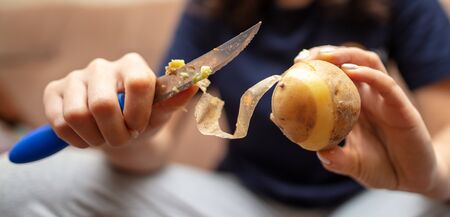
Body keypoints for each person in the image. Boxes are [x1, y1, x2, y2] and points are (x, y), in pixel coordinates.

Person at [1, 0, 450, 216]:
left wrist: (428, 177)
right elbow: (156, 150)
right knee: (15, 182)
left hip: (369, 203)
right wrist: (121, 133)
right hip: (242, 201)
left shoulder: (401, 5)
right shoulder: (214, 8)